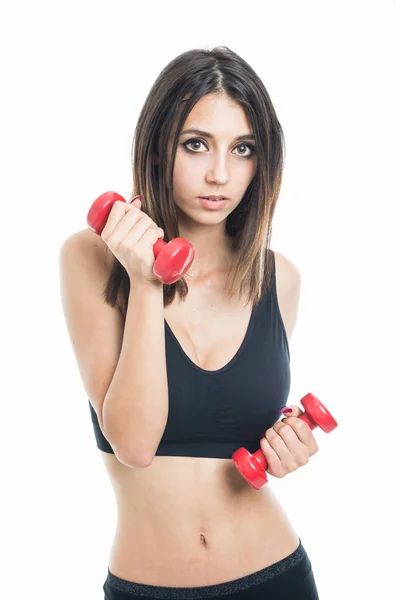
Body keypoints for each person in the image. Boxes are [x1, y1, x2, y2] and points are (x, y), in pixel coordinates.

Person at [59, 46, 320, 599]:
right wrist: (146, 280)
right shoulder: (91, 257)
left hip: (275, 576)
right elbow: (133, 443)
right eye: (196, 144)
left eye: (243, 149)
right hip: (146, 586)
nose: (220, 173)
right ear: (159, 147)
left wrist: (284, 448)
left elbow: (240, 431)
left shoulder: (277, 279)